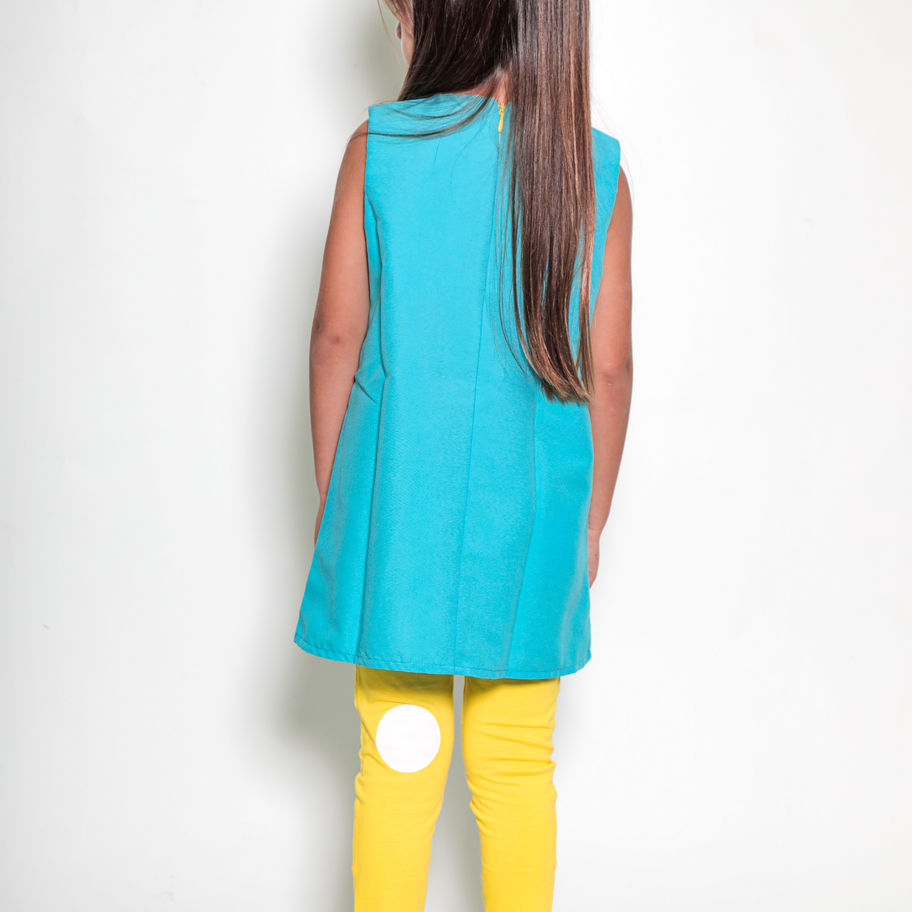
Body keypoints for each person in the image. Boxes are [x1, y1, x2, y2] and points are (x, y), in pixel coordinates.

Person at [293, 0, 633, 908]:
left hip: (401, 509)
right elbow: (608, 368)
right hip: (534, 522)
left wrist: (340, 501)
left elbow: (335, 340)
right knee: (514, 761)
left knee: (399, 755)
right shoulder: (591, 170)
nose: (396, 24)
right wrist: (591, 521)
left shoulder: (381, 149)